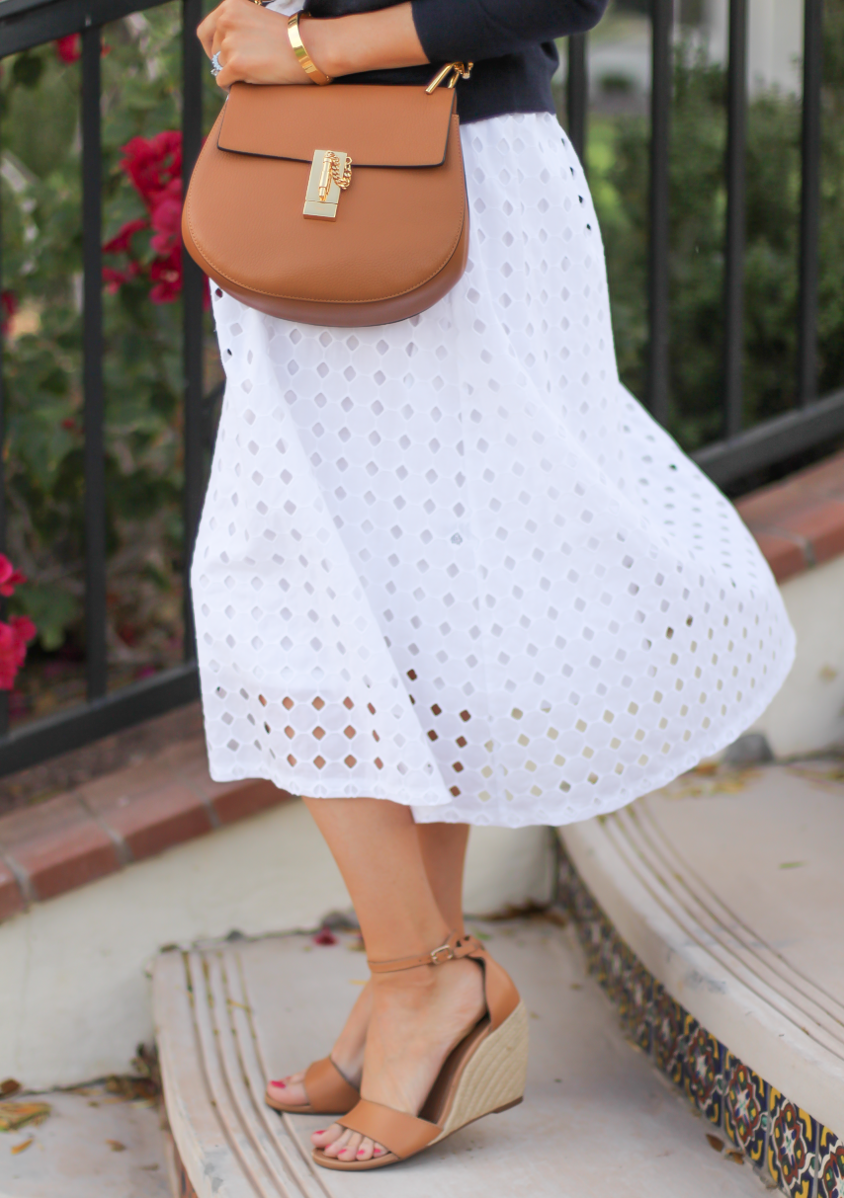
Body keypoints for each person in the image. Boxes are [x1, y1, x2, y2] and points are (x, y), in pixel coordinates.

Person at [191, 0, 796, 1172]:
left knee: (297, 596)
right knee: (401, 593)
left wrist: (309, 47)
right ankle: (420, 970)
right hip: (329, 155)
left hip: (434, 162)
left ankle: (419, 981)